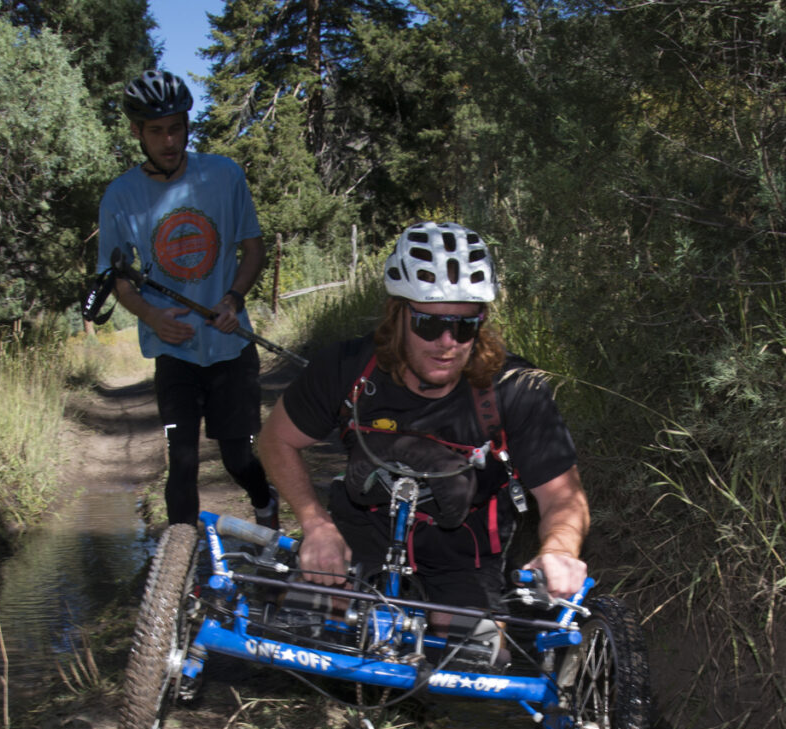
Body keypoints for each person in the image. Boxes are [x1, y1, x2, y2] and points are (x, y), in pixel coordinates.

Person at [255, 221, 588, 624]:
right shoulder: (347, 367)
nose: (447, 343)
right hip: (360, 536)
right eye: (430, 324)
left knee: (478, 657)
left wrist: (559, 551)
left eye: (465, 326)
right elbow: (276, 440)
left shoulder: (516, 388)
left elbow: (563, 498)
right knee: (308, 625)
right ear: (398, 315)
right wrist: (315, 523)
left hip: (464, 552)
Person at [97, 69, 278, 529]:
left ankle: (266, 509)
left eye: (176, 126)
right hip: (173, 352)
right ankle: (178, 574)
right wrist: (153, 317)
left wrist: (233, 299)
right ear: (136, 132)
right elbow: (117, 280)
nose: (169, 140)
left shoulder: (224, 174)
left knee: (238, 458)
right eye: (156, 131)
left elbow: (253, 249)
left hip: (230, 345)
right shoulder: (121, 196)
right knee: (182, 460)